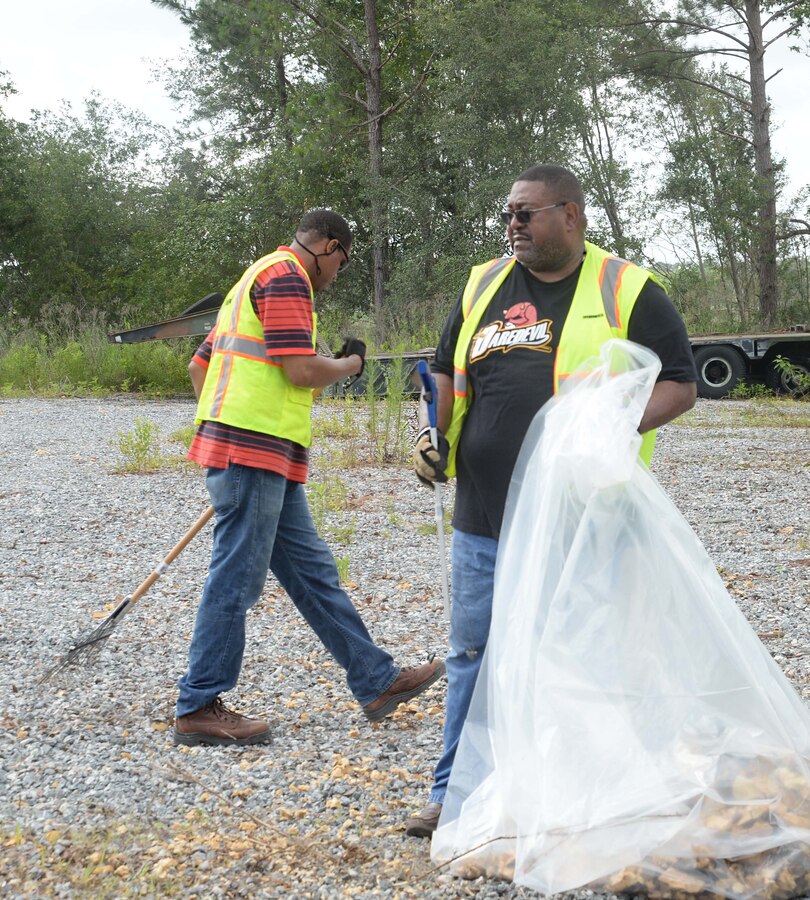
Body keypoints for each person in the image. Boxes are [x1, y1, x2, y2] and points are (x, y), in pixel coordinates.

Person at [405, 165, 697, 836]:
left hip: (583, 514)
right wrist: (432, 428)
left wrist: (610, 428)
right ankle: (458, 798)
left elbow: (680, 384)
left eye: (527, 213)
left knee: (582, 654)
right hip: (484, 511)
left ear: (572, 216)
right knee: (474, 655)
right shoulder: (483, 283)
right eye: (508, 213)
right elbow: (446, 367)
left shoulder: (628, 289)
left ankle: (581, 800)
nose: (513, 224)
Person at [174, 208, 444, 747]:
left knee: (313, 572)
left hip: (260, 453)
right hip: (252, 453)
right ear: (328, 246)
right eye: (342, 261)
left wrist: (225, 425)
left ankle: (376, 681)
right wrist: (348, 366)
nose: (339, 272)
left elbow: (200, 367)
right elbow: (299, 371)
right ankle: (198, 704)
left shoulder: (256, 276)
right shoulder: (290, 278)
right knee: (237, 578)